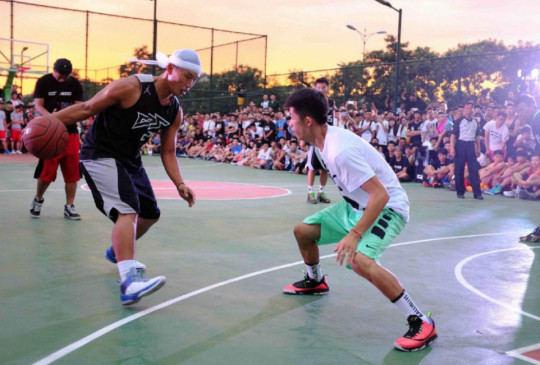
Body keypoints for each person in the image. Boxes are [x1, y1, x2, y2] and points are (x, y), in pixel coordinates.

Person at [282, 88, 437, 352]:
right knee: (303, 231)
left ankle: (421, 321)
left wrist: (354, 234)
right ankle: (316, 279)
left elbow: (381, 195)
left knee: (360, 261)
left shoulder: (339, 150)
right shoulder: (319, 145)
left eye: (291, 117)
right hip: (355, 207)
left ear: (307, 120)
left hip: (388, 207)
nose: (289, 123)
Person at [52, 50, 200, 305]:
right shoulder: (132, 87)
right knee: (127, 209)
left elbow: (168, 151)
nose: (189, 84)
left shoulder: (174, 110)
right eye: (187, 76)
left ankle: (117, 253)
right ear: (171, 68)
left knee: (150, 214)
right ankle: (129, 281)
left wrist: (180, 183)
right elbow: (87, 108)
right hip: (100, 154)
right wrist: (46, 122)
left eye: (194, 80)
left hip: (130, 160)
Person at [30, 58, 84, 219]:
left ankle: (69, 206)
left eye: (66, 75)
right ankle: (38, 200)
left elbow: (78, 106)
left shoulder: (75, 84)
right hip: (50, 132)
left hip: (70, 133)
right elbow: (38, 105)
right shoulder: (43, 81)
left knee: (72, 173)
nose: (62, 78)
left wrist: (62, 117)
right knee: (47, 172)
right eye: (60, 74)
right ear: (54, 69)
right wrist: (52, 118)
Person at [515, 95, 540, 242]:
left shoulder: (538, 120)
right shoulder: (534, 123)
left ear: (532, 106)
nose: (520, 113)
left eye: (522, 109)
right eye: (519, 111)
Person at [306, 77, 333, 204]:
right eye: (318, 87)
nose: (321, 90)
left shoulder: (331, 103)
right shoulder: (312, 103)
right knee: (312, 167)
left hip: (327, 139)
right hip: (315, 139)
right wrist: (306, 139)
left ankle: (321, 192)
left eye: (323, 87)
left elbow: (331, 121)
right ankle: (310, 193)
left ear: (327, 89)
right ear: (315, 89)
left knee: (325, 169)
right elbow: (308, 121)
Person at [450, 102, 483, 200]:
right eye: (467, 108)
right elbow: (453, 135)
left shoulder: (475, 122)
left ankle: (477, 193)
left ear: (472, 110)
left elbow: (477, 136)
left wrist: (478, 148)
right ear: (464, 110)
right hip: (460, 145)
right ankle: (460, 192)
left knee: (474, 169)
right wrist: (452, 148)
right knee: (459, 169)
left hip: (471, 145)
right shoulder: (459, 121)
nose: (469, 110)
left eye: (470, 108)